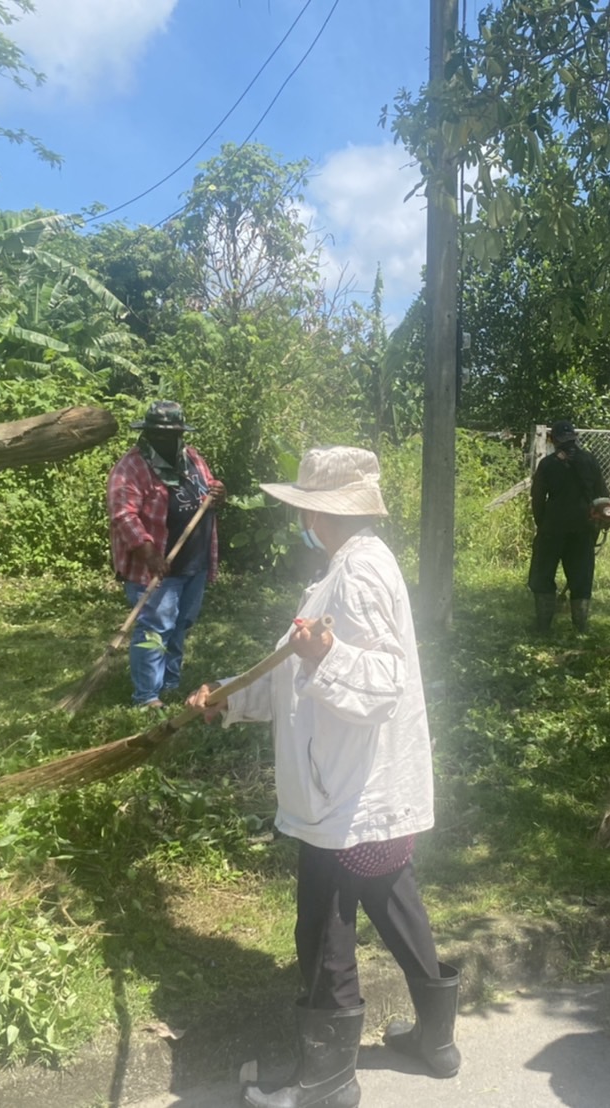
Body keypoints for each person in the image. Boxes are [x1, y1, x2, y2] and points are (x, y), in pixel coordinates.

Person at [188, 446, 458, 1108]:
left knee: (323, 931)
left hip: (347, 796)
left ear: (317, 509)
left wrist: (330, 653)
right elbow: (291, 675)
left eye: (304, 507)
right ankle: (437, 1041)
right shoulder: (346, 566)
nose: (301, 517)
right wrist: (228, 698)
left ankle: (328, 1083)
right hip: (361, 790)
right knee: (395, 904)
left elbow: (384, 684)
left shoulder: (360, 574)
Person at [106, 400, 224, 708]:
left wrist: (216, 493)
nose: (167, 439)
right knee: (155, 627)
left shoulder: (191, 457)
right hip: (156, 565)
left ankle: (170, 683)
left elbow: (207, 489)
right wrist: (149, 552)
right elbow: (123, 516)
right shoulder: (130, 467)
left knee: (181, 623)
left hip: (192, 561)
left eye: (173, 433)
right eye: (159, 434)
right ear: (147, 433)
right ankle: (147, 695)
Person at [528, 419, 609, 633]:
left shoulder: (547, 464)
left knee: (542, 575)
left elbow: (537, 498)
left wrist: (542, 523)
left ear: (553, 440)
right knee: (582, 577)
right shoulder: (590, 460)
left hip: (552, 528)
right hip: (583, 528)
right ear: (575, 438)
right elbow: (603, 495)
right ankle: (580, 628)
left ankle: (543, 627)